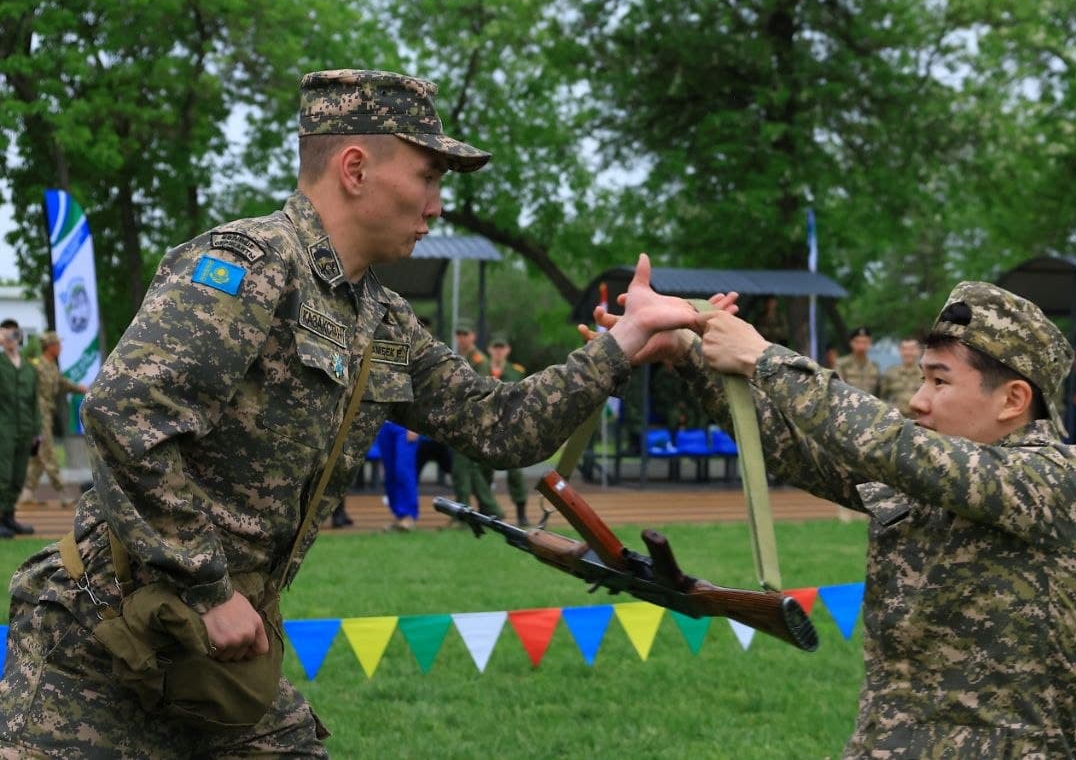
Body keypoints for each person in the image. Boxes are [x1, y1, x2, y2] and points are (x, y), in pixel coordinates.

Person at [0, 69, 698, 756]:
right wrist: (208, 588)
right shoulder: (250, 264)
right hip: (96, 644)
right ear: (356, 168)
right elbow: (125, 414)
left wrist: (623, 344)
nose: (436, 206)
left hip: (214, 655)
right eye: (428, 177)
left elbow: (499, 422)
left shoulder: (379, 318)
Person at [648, 281, 1076, 756]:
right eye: (921, 379)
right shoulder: (932, 472)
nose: (918, 400)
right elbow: (796, 452)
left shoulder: (1060, 479)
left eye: (939, 381)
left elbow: (892, 446)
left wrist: (764, 358)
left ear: (1013, 400)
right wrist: (687, 352)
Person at [19, 331, 88, 509]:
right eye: (58, 344)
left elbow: (62, 383)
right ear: (50, 347)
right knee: (47, 452)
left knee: (37, 455)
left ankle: (26, 493)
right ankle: (63, 493)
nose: (61, 347)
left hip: (45, 414)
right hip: (38, 416)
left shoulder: (51, 366)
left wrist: (80, 388)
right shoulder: (37, 366)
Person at [449, 318, 504, 519]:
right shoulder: (456, 357)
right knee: (465, 468)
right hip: (460, 420)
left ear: (473, 336)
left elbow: (478, 390)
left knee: (464, 468)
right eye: (459, 334)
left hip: (473, 421)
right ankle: (486, 509)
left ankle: (469, 512)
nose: (462, 338)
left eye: (465, 334)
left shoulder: (480, 361)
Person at [486, 331, 530, 526]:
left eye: (501, 347)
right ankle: (485, 509)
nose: (498, 351)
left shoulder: (516, 371)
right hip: (487, 426)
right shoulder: (480, 368)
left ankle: (521, 513)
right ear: (489, 350)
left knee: (515, 471)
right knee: (483, 469)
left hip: (510, 426)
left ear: (507, 350)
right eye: (495, 348)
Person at [0, 320, 38, 538]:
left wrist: (37, 431)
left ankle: (9, 516)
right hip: (4, 428)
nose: (9, 339)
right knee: (2, 476)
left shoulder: (28, 368)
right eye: (5, 334)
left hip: (25, 430)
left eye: (13, 334)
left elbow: (34, 403)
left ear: (20, 335)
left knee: (17, 476)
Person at [376, 422, 420, 532]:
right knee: (390, 473)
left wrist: (415, 426)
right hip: (385, 423)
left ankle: (409, 515)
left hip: (405, 423)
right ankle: (400, 516)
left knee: (403, 470)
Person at [877, 336, 921, 416]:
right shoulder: (890, 373)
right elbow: (881, 397)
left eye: (911, 349)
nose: (908, 353)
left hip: (920, 421)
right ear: (900, 351)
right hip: (898, 420)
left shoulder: (926, 374)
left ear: (918, 351)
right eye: (904, 349)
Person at [836, 325, 879, 395]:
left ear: (870, 343)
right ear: (851, 343)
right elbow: (838, 389)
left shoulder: (874, 367)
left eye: (865, 342)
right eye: (857, 342)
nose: (861, 346)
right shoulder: (842, 364)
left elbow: (878, 393)